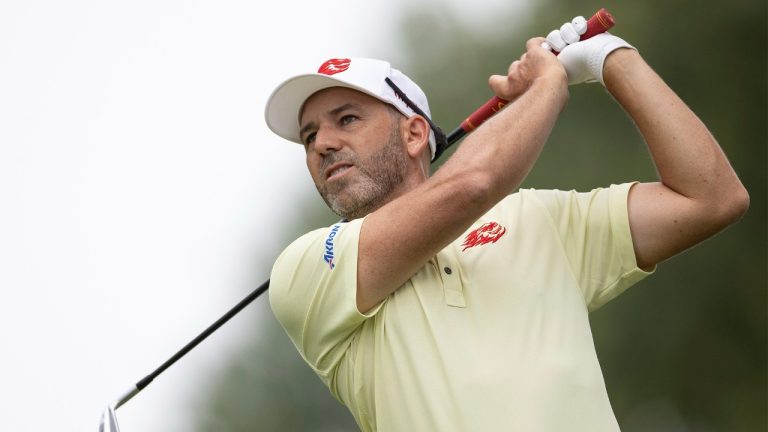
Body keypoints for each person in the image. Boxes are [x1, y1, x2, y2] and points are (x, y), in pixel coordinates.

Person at [263, 18, 749, 432]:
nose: (322, 143)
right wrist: (548, 86)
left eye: (346, 119)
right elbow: (473, 183)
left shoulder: (537, 218)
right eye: (309, 137)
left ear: (414, 134)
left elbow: (710, 198)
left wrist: (610, 59)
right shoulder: (306, 270)